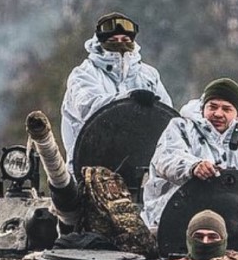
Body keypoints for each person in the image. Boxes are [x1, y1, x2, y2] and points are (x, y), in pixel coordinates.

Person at [141, 77, 238, 235]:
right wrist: (193, 167)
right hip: (174, 220)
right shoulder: (181, 128)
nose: (218, 114)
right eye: (213, 107)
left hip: (231, 231)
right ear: (203, 108)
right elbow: (167, 158)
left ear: (237, 115)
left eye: (226, 109)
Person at [59, 11, 172, 164]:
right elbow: (89, 108)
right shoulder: (83, 74)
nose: (120, 44)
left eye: (125, 39)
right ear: (100, 43)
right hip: (89, 168)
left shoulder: (149, 75)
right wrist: (129, 99)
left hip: (142, 169)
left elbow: (166, 118)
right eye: (113, 40)